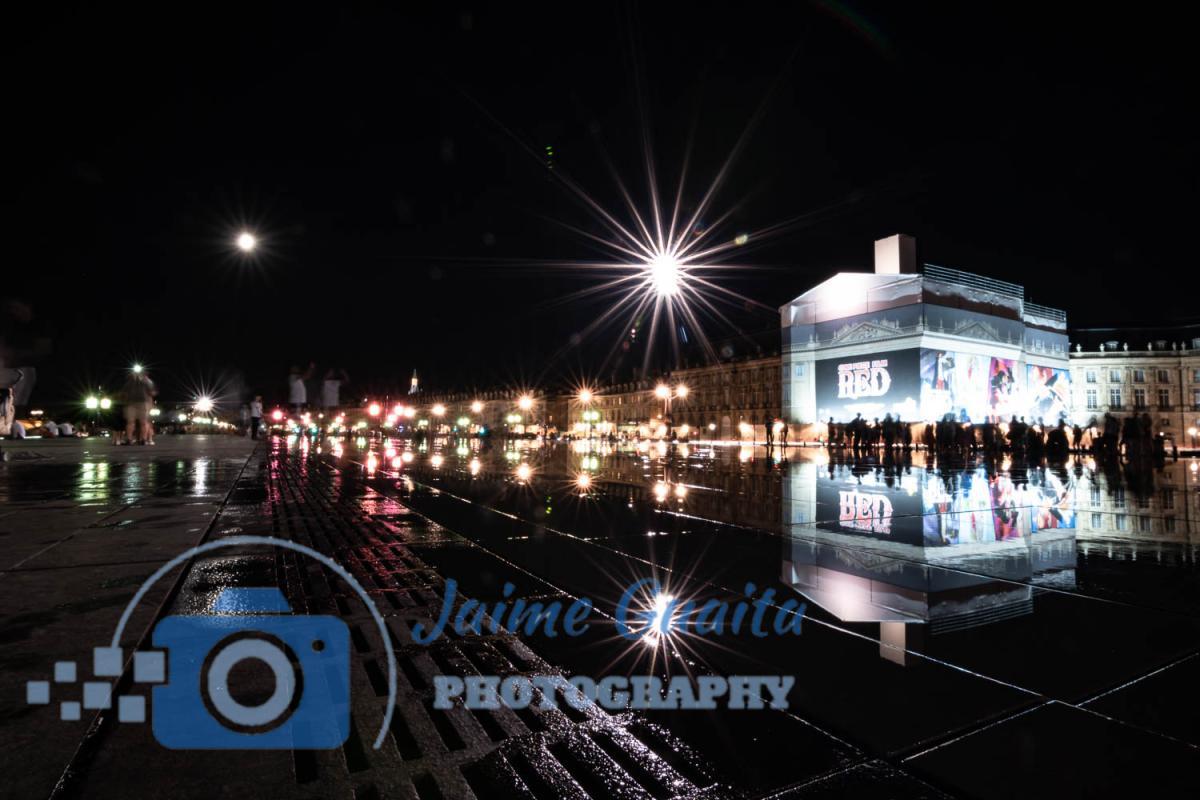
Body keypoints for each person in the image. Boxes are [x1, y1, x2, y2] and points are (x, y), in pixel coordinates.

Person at [121, 369, 157, 445]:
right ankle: (129, 439)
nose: (137, 375)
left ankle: (143, 439)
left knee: (143, 422)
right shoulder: (129, 382)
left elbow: (152, 392)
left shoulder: (147, 381)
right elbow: (124, 393)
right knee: (130, 421)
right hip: (131, 403)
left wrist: (151, 403)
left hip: (143, 403)